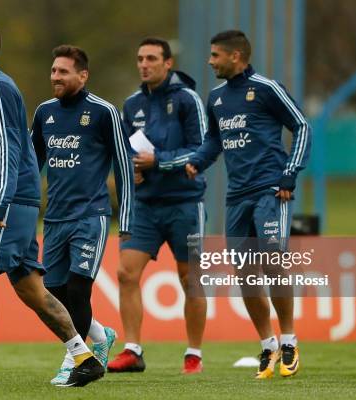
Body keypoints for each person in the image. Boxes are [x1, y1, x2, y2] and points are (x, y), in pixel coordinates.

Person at [0, 22, 104, 388]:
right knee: (32, 290)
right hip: (10, 202)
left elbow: (13, 148)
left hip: (9, 202)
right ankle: (84, 356)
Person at [185, 30, 311, 379]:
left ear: (236, 56)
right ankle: (268, 346)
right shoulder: (216, 98)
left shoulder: (267, 88)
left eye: (215, 56)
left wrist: (290, 173)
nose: (210, 62)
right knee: (245, 274)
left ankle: (289, 340)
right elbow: (214, 139)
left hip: (271, 190)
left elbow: (301, 126)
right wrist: (198, 160)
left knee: (272, 262)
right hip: (236, 196)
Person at [31, 45, 135, 385]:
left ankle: (75, 359)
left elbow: (123, 165)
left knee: (78, 289)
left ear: (82, 75)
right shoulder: (44, 112)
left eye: (62, 71)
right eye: (53, 71)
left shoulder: (104, 112)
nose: (55, 77)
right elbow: (33, 166)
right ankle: (100, 335)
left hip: (91, 216)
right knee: (52, 290)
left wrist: (128, 217)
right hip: (56, 218)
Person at [107, 37, 207, 374]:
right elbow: (122, 150)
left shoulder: (188, 100)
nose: (144, 64)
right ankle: (133, 350)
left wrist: (159, 162)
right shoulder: (131, 104)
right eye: (140, 59)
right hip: (145, 206)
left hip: (185, 203)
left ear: (168, 63)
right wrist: (129, 171)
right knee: (125, 273)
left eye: (151, 58)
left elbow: (203, 148)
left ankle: (193, 354)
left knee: (189, 277)